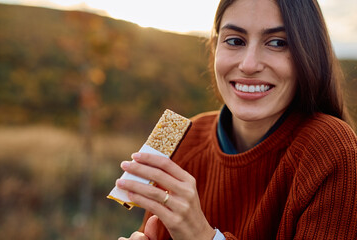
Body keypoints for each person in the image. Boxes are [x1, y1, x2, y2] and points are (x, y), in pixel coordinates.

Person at [116, 0, 357, 239]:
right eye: (234, 41)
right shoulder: (180, 137)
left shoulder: (333, 149)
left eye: (277, 43)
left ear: (309, 53)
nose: (249, 65)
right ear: (215, 46)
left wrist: (203, 237)